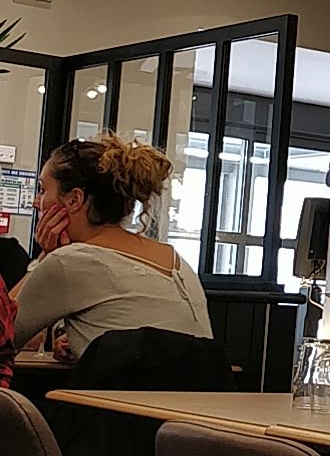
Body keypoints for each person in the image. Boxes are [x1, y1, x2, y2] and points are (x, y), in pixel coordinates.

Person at [12, 135, 212, 359]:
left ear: (74, 200)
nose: (36, 202)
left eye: (42, 190)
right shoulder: (174, 258)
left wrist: (44, 259)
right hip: (200, 382)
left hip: (126, 384)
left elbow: (3, 336)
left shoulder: (69, 261)